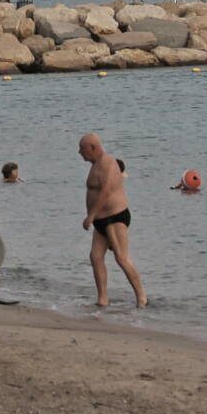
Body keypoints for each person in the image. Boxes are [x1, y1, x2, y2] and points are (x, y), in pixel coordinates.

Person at [78, 132, 148, 308]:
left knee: (121, 258)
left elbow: (106, 191)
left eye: (82, 148)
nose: (80, 152)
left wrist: (91, 215)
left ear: (93, 147)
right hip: (100, 221)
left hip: (114, 217)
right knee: (95, 257)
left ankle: (142, 297)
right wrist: (93, 218)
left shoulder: (108, 163)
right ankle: (102, 299)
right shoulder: (95, 164)